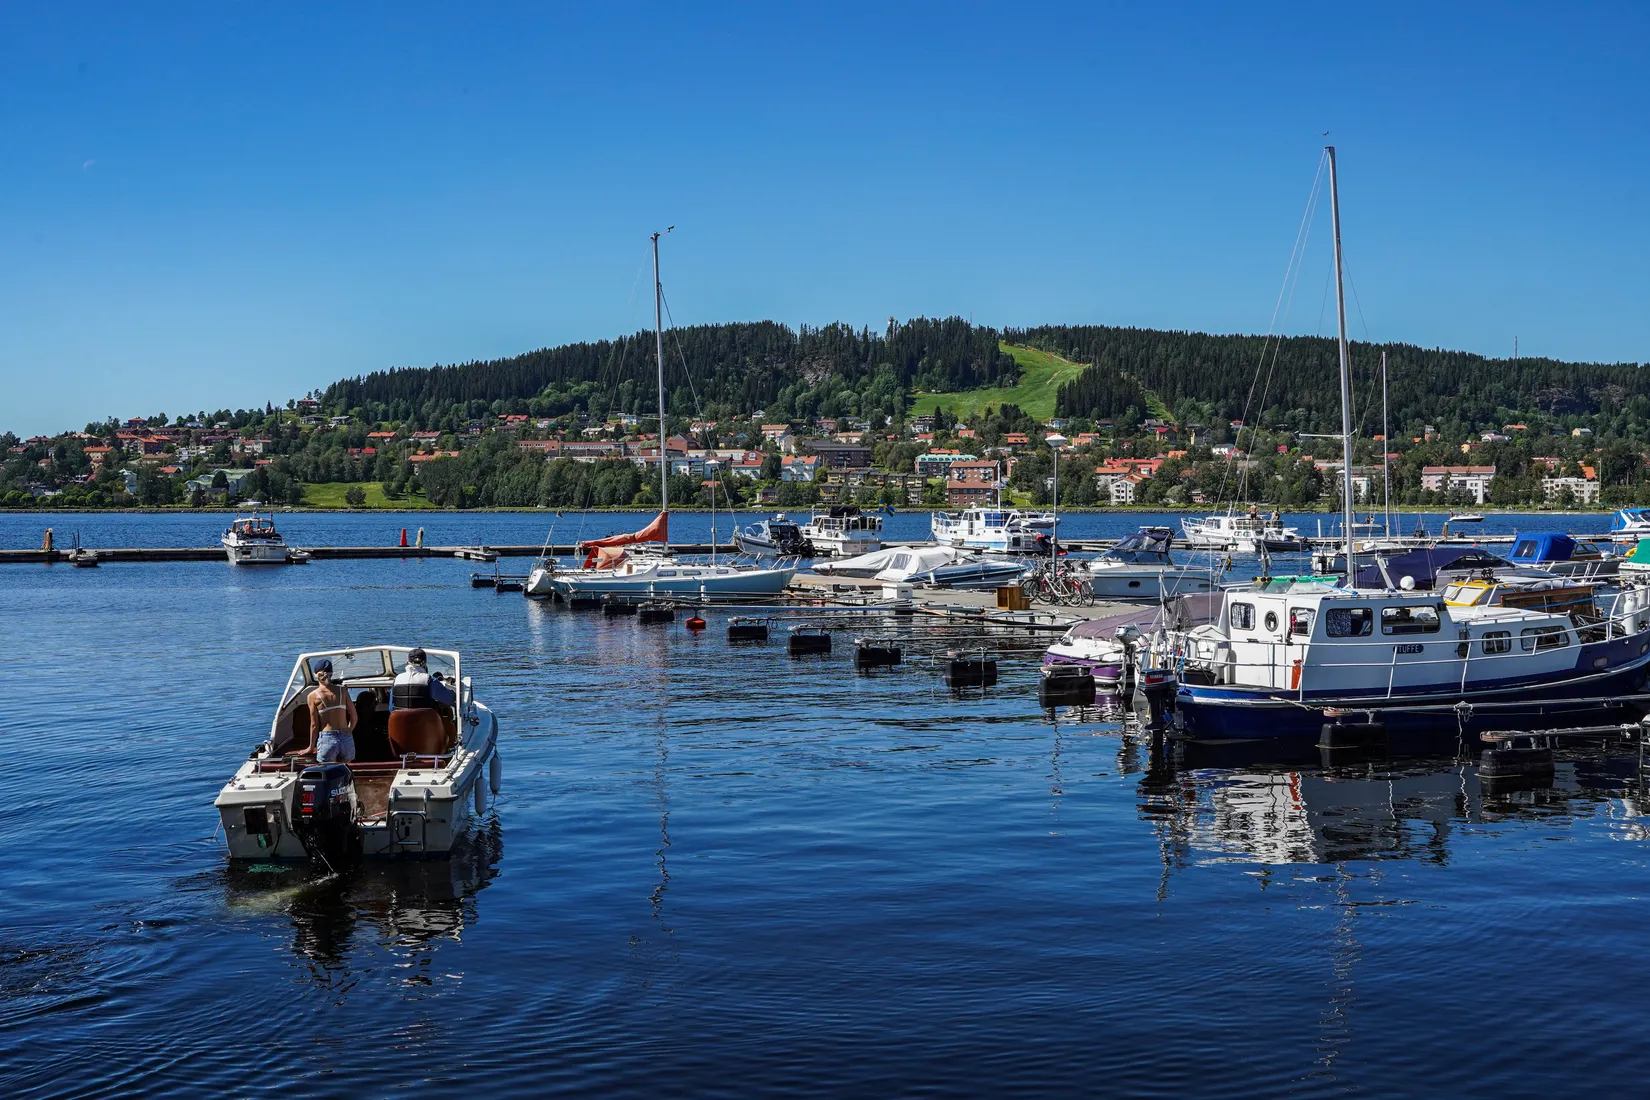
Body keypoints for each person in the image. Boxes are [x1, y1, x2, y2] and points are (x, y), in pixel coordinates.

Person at [304, 659, 358, 763]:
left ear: (316, 675)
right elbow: (354, 717)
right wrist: (350, 729)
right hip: (345, 737)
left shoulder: (313, 696)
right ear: (331, 674)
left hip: (328, 739)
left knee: (328, 772)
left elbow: (314, 725)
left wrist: (311, 747)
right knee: (345, 771)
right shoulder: (343, 691)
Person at [392, 647, 456, 710]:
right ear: (425, 663)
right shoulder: (429, 680)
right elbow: (450, 698)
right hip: (425, 720)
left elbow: (391, 707)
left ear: (407, 662)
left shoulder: (397, 680)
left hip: (399, 720)